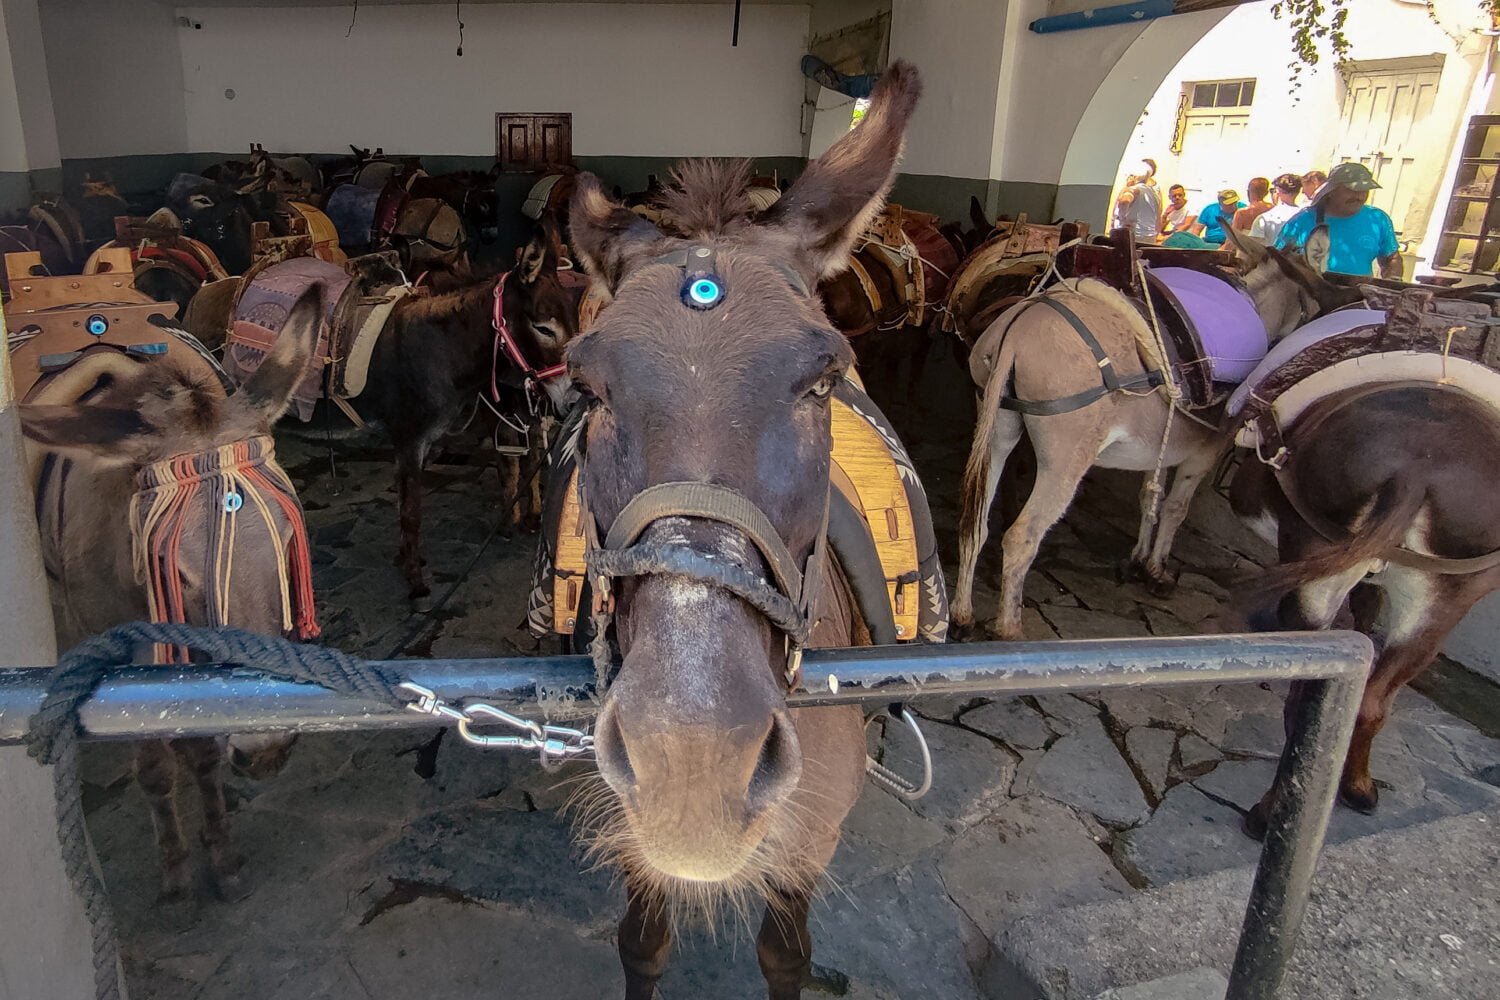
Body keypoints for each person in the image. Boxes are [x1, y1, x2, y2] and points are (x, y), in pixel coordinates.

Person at [1275, 162, 1400, 278]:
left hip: (1359, 298)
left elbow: (1391, 258)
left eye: (1364, 191)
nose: (1359, 196)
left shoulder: (1377, 219)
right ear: (1331, 191)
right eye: (1352, 190)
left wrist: (1393, 281)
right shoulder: (1301, 222)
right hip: (1313, 297)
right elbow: (1277, 262)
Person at [1112, 158, 1162, 244]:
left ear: (1134, 176)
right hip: (1148, 238)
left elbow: (1125, 201)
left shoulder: (1134, 190)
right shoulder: (1155, 194)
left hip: (1131, 237)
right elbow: (1158, 220)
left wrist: (1122, 220)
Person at [1250, 172, 1302, 245]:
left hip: (1272, 255)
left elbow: (1253, 247)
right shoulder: (1306, 216)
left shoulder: (1264, 218)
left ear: (1277, 191)